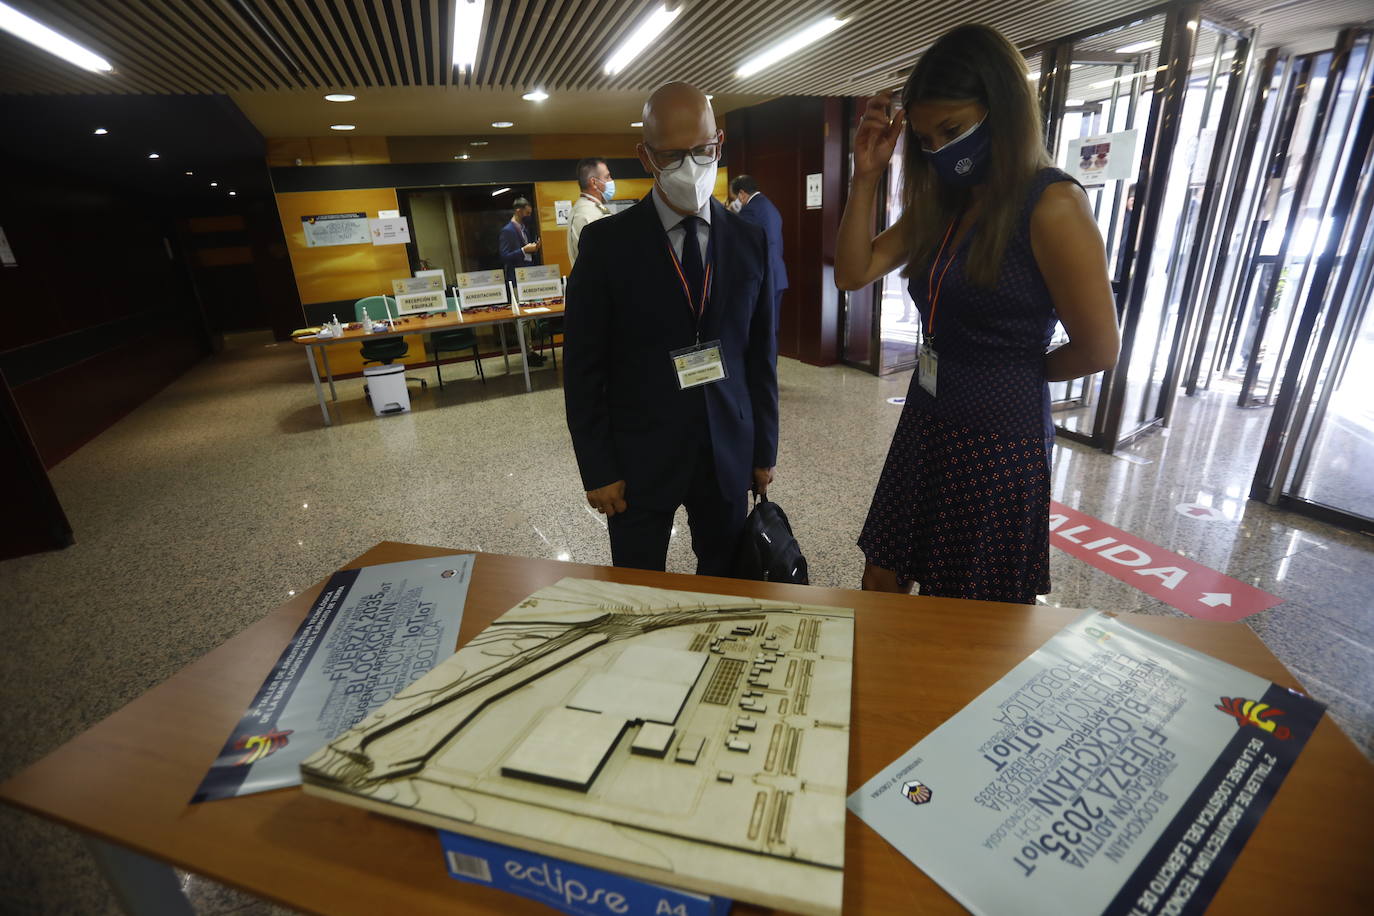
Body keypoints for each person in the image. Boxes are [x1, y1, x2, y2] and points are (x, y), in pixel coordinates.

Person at [835, 24, 1120, 604]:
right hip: (927, 415)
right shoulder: (945, 203)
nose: (940, 149)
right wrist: (866, 177)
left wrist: (1014, 370)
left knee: (966, 611)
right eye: (926, 138)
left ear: (1004, 109)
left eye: (953, 130)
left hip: (997, 439)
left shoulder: (1053, 206)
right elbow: (853, 271)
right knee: (880, 579)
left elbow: (1098, 347)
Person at [564, 82, 778, 576]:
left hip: (728, 452)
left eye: (702, 151)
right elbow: (582, 369)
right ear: (645, 156)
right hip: (638, 462)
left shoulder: (750, 240)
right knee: (638, 590)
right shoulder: (605, 246)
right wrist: (598, 469)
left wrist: (763, 449)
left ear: (718, 142)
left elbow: (760, 355)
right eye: (671, 154)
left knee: (726, 585)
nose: (690, 166)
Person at [729, 175, 788, 327]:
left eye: (734, 198)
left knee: (759, 329)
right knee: (772, 327)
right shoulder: (769, 206)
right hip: (778, 275)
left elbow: (737, 243)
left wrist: (730, 214)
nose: (735, 201)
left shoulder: (750, 211)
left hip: (762, 279)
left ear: (741, 194)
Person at [498, 197, 546, 366]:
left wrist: (533, 249)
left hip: (527, 278)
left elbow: (526, 254)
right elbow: (504, 256)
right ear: (518, 210)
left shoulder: (524, 227)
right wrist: (524, 250)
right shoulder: (508, 230)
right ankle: (527, 354)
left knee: (530, 316)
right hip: (516, 280)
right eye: (527, 213)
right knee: (522, 320)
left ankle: (531, 352)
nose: (528, 216)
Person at [568, 157, 614, 265]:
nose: (611, 181)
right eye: (607, 177)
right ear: (594, 182)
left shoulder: (584, 207)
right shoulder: (589, 213)